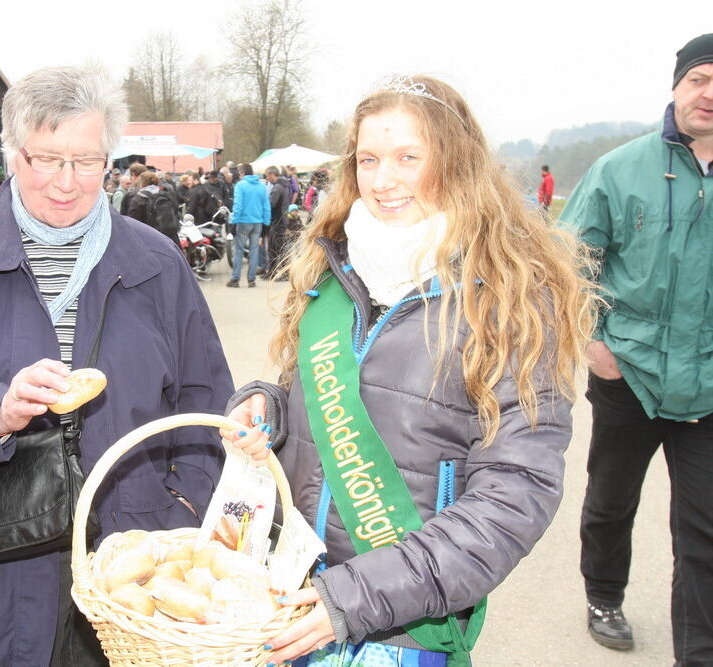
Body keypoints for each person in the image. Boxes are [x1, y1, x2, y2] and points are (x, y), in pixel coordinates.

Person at [224, 75, 597, 667]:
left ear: (454, 162)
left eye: (407, 157)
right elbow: (329, 399)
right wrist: (268, 405)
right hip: (291, 597)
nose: (382, 180)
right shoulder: (332, 269)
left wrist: (351, 599)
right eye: (368, 159)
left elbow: (513, 498)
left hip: (401, 629)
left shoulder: (509, 297)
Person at [0, 65, 233, 667]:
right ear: (13, 155)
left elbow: (203, 403)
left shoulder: (156, 265)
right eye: (47, 159)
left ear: (108, 161)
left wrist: (183, 512)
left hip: (135, 565)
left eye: (86, 161)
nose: (66, 183)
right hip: (4, 563)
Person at [562, 33, 713, 663]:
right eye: (699, 79)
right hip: (630, 374)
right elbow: (569, 265)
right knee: (611, 498)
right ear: (676, 87)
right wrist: (595, 345)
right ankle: (604, 595)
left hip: (707, 387)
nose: (710, 94)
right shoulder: (620, 169)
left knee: (704, 528)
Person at [227, 162, 269, 288]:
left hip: (243, 222)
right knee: (254, 250)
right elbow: (266, 207)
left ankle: (235, 279)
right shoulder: (262, 187)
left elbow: (238, 206)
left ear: (243, 173)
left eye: (239, 173)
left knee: (239, 251)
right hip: (258, 223)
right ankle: (251, 280)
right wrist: (266, 224)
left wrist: (233, 222)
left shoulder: (240, 186)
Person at [264, 166, 291, 278]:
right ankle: (274, 272)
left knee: (275, 247)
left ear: (272, 174)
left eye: (267, 175)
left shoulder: (277, 188)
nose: (266, 178)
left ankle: (282, 272)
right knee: (278, 247)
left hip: (277, 220)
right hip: (282, 220)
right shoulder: (284, 186)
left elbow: (270, 204)